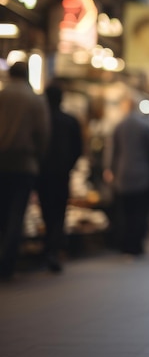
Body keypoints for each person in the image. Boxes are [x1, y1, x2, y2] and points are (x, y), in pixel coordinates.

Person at [0, 61, 50, 280]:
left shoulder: (2, 95)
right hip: (24, 164)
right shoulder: (35, 100)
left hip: (1, 162)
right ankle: (7, 264)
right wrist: (37, 158)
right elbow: (44, 134)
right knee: (15, 215)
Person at [104, 96, 149, 257]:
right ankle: (137, 245)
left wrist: (110, 169)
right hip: (142, 174)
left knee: (124, 212)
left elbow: (113, 150)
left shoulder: (119, 126)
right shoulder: (145, 127)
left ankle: (125, 245)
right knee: (140, 212)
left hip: (122, 175)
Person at [38, 83, 84, 273]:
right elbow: (78, 149)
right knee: (59, 212)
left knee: (46, 211)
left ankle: (49, 249)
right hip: (62, 174)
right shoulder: (70, 121)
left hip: (41, 173)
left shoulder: (41, 119)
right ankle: (54, 250)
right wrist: (68, 166)